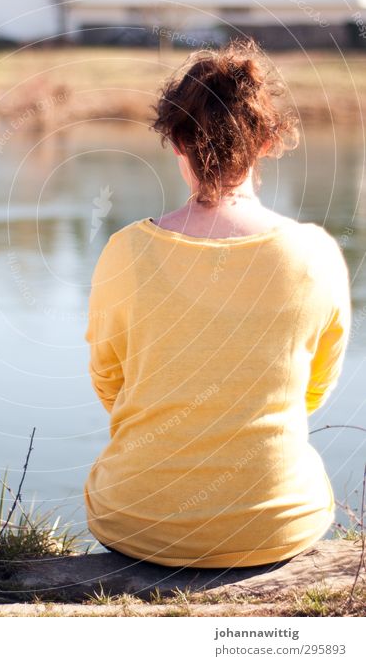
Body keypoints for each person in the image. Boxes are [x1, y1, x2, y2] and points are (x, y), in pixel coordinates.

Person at [83, 40, 351, 568]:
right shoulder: (315, 254)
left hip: (136, 521)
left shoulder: (126, 252)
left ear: (176, 143)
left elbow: (109, 383)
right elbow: (314, 387)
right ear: (269, 140)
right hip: (278, 522)